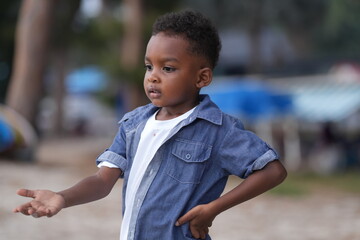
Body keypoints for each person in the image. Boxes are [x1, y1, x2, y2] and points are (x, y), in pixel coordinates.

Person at [13, 10, 287, 240]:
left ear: (202, 77)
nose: (153, 78)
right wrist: (62, 197)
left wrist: (213, 209)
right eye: (148, 67)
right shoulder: (133, 124)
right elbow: (101, 181)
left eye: (167, 68)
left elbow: (272, 171)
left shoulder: (218, 131)